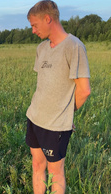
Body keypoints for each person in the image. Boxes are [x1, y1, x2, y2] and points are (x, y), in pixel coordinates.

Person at [26, 1, 91, 193]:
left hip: (56, 126)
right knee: (37, 165)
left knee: (55, 172)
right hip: (34, 117)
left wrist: (66, 115)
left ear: (48, 19)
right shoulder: (42, 48)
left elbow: (84, 90)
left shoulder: (74, 46)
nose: (33, 31)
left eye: (34, 25)